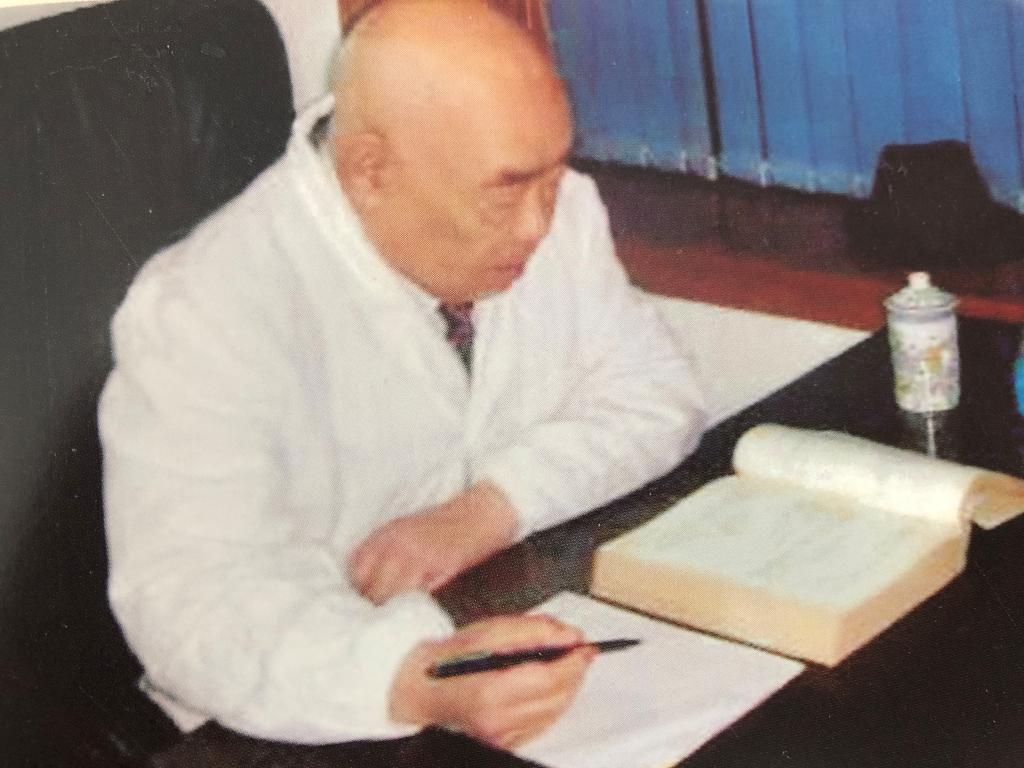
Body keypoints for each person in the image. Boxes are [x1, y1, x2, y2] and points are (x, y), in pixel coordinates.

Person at [99, 0, 706, 750]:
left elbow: (657, 394)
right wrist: (407, 679)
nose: (538, 224)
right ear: (371, 171)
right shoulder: (208, 305)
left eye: (554, 176)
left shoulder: (552, 204)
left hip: (496, 605)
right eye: (507, 191)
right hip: (298, 701)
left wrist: (492, 506)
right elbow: (197, 602)